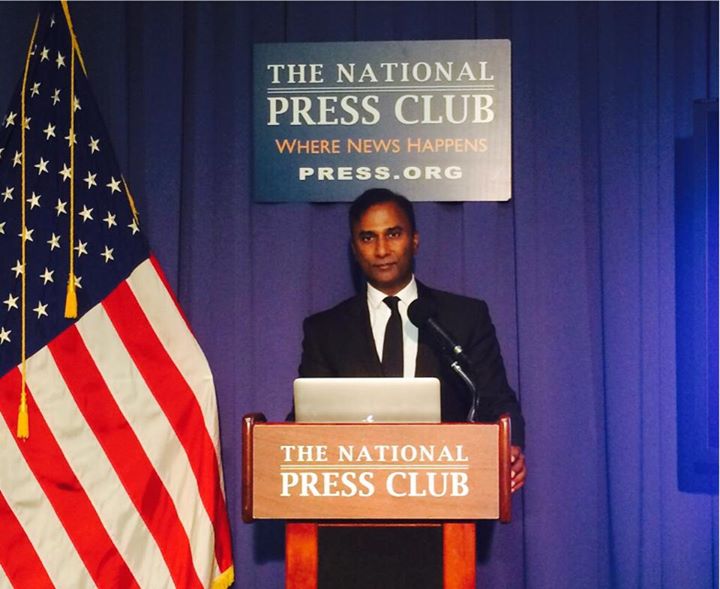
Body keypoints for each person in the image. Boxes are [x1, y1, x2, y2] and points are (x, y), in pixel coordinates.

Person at [296, 187, 526, 588]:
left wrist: (510, 443)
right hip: (350, 522)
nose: (382, 248)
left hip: (443, 518)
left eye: (394, 233)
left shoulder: (463, 317)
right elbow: (304, 418)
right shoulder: (325, 330)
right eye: (368, 237)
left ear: (415, 239)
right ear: (354, 248)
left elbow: (494, 398)